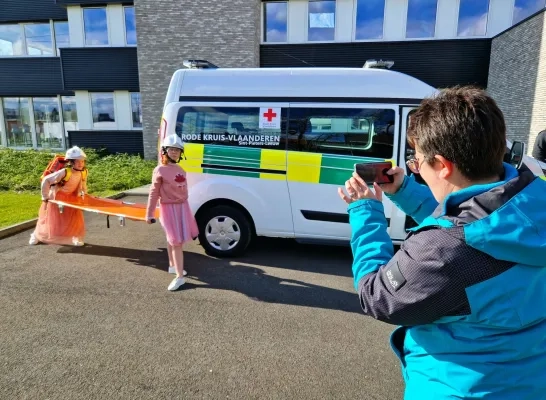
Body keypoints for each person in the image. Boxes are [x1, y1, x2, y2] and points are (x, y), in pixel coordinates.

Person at [338, 86, 546, 399]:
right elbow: (474, 217)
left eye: (418, 161)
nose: (415, 167)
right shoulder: (532, 197)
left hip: (460, 389)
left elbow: (377, 295)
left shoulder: (443, 251)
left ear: (443, 165)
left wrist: (365, 211)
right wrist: (405, 190)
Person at [146, 134, 198, 291]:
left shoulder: (180, 169)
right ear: (165, 151)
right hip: (168, 208)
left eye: (177, 150)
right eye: (172, 149)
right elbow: (153, 192)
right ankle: (179, 276)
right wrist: (149, 213)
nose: (175, 152)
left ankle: (172, 265)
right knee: (176, 241)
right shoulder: (160, 169)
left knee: (172, 240)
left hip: (182, 207)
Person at [30, 146, 88, 246]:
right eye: (77, 161)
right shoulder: (65, 172)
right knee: (50, 219)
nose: (80, 164)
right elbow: (46, 180)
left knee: (74, 219)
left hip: (72, 198)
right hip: (57, 198)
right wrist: (45, 197)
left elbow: (83, 184)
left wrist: (84, 195)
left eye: (82, 161)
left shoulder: (84, 172)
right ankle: (36, 235)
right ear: (71, 162)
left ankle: (75, 237)